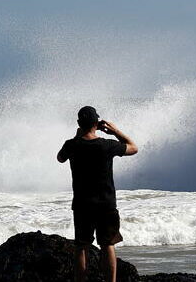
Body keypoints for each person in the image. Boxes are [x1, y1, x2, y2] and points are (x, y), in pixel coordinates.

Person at [57, 106, 138, 282]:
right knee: (107, 245)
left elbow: (60, 158)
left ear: (79, 123)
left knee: (82, 247)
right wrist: (115, 131)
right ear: (97, 124)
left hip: (82, 204)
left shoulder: (72, 145)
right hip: (106, 204)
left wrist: (77, 136)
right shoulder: (107, 145)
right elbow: (133, 148)